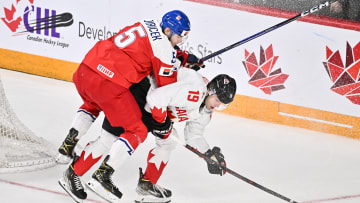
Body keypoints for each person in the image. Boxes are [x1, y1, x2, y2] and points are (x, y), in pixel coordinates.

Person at [57, 10, 202, 203]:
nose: (180, 41)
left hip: (87, 69)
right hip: (108, 83)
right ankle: (100, 176)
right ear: (168, 30)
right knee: (137, 130)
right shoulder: (165, 50)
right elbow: (164, 87)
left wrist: (178, 57)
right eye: (178, 37)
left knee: (93, 105)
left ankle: (68, 148)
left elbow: (146, 51)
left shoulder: (147, 23)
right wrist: (179, 64)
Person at [134, 69, 236, 203]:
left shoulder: (206, 112)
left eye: (221, 104)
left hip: (157, 114)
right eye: (217, 100)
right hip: (143, 96)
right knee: (115, 134)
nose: (217, 105)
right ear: (210, 90)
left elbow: (194, 135)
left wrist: (208, 155)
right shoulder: (194, 87)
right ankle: (104, 174)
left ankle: (147, 184)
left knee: (169, 142)